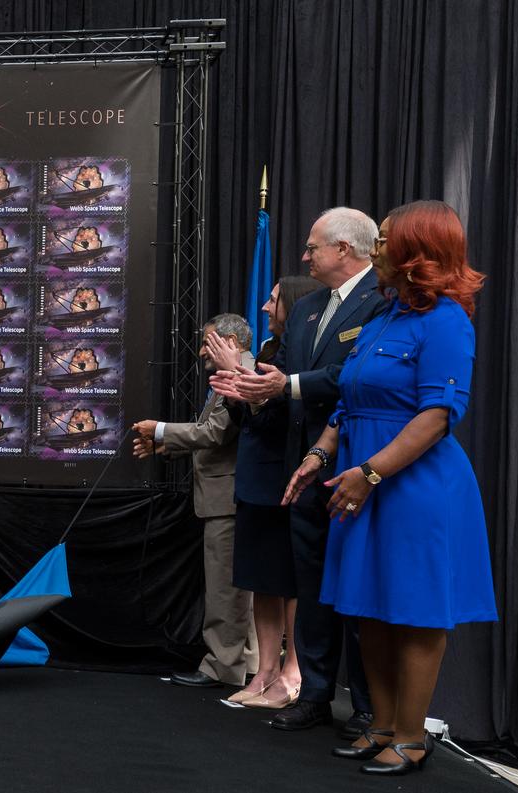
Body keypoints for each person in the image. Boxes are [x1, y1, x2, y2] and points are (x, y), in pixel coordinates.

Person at [283, 200, 496, 775]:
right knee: (368, 609)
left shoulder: (446, 320)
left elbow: (437, 415)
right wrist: (320, 453)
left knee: (415, 612)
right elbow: (349, 402)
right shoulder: (383, 316)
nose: (375, 249)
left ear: (414, 251)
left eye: (384, 239)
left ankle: (410, 737)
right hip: (358, 481)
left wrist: (370, 472)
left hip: (412, 486)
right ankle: (379, 725)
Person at [211, 207, 388, 737]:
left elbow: (351, 375)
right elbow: (278, 380)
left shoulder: (381, 299)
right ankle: (313, 695)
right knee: (309, 589)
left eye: (313, 247)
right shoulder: (309, 306)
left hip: (355, 464)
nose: (305, 256)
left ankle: (367, 707)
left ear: (344, 249)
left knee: (355, 591)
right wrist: (248, 388)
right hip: (299, 471)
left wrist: (282, 385)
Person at [205, 276, 319, 709]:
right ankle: (265, 672)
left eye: (273, 301)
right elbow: (249, 420)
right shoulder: (270, 352)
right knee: (260, 580)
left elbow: (281, 419)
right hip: (253, 479)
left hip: (283, 480)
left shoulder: (300, 354)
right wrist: (237, 390)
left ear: (294, 303)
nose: (266, 308)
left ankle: (292, 674)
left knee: (287, 582)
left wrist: (239, 374)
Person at [133, 313, 257, 689]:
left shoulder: (241, 373)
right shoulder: (238, 372)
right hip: (228, 497)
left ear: (230, 343)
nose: (201, 350)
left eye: (207, 342)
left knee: (224, 590)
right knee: (239, 589)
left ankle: (222, 666)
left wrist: (160, 429)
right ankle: (248, 663)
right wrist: (165, 446)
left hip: (228, 499)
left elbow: (215, 433)